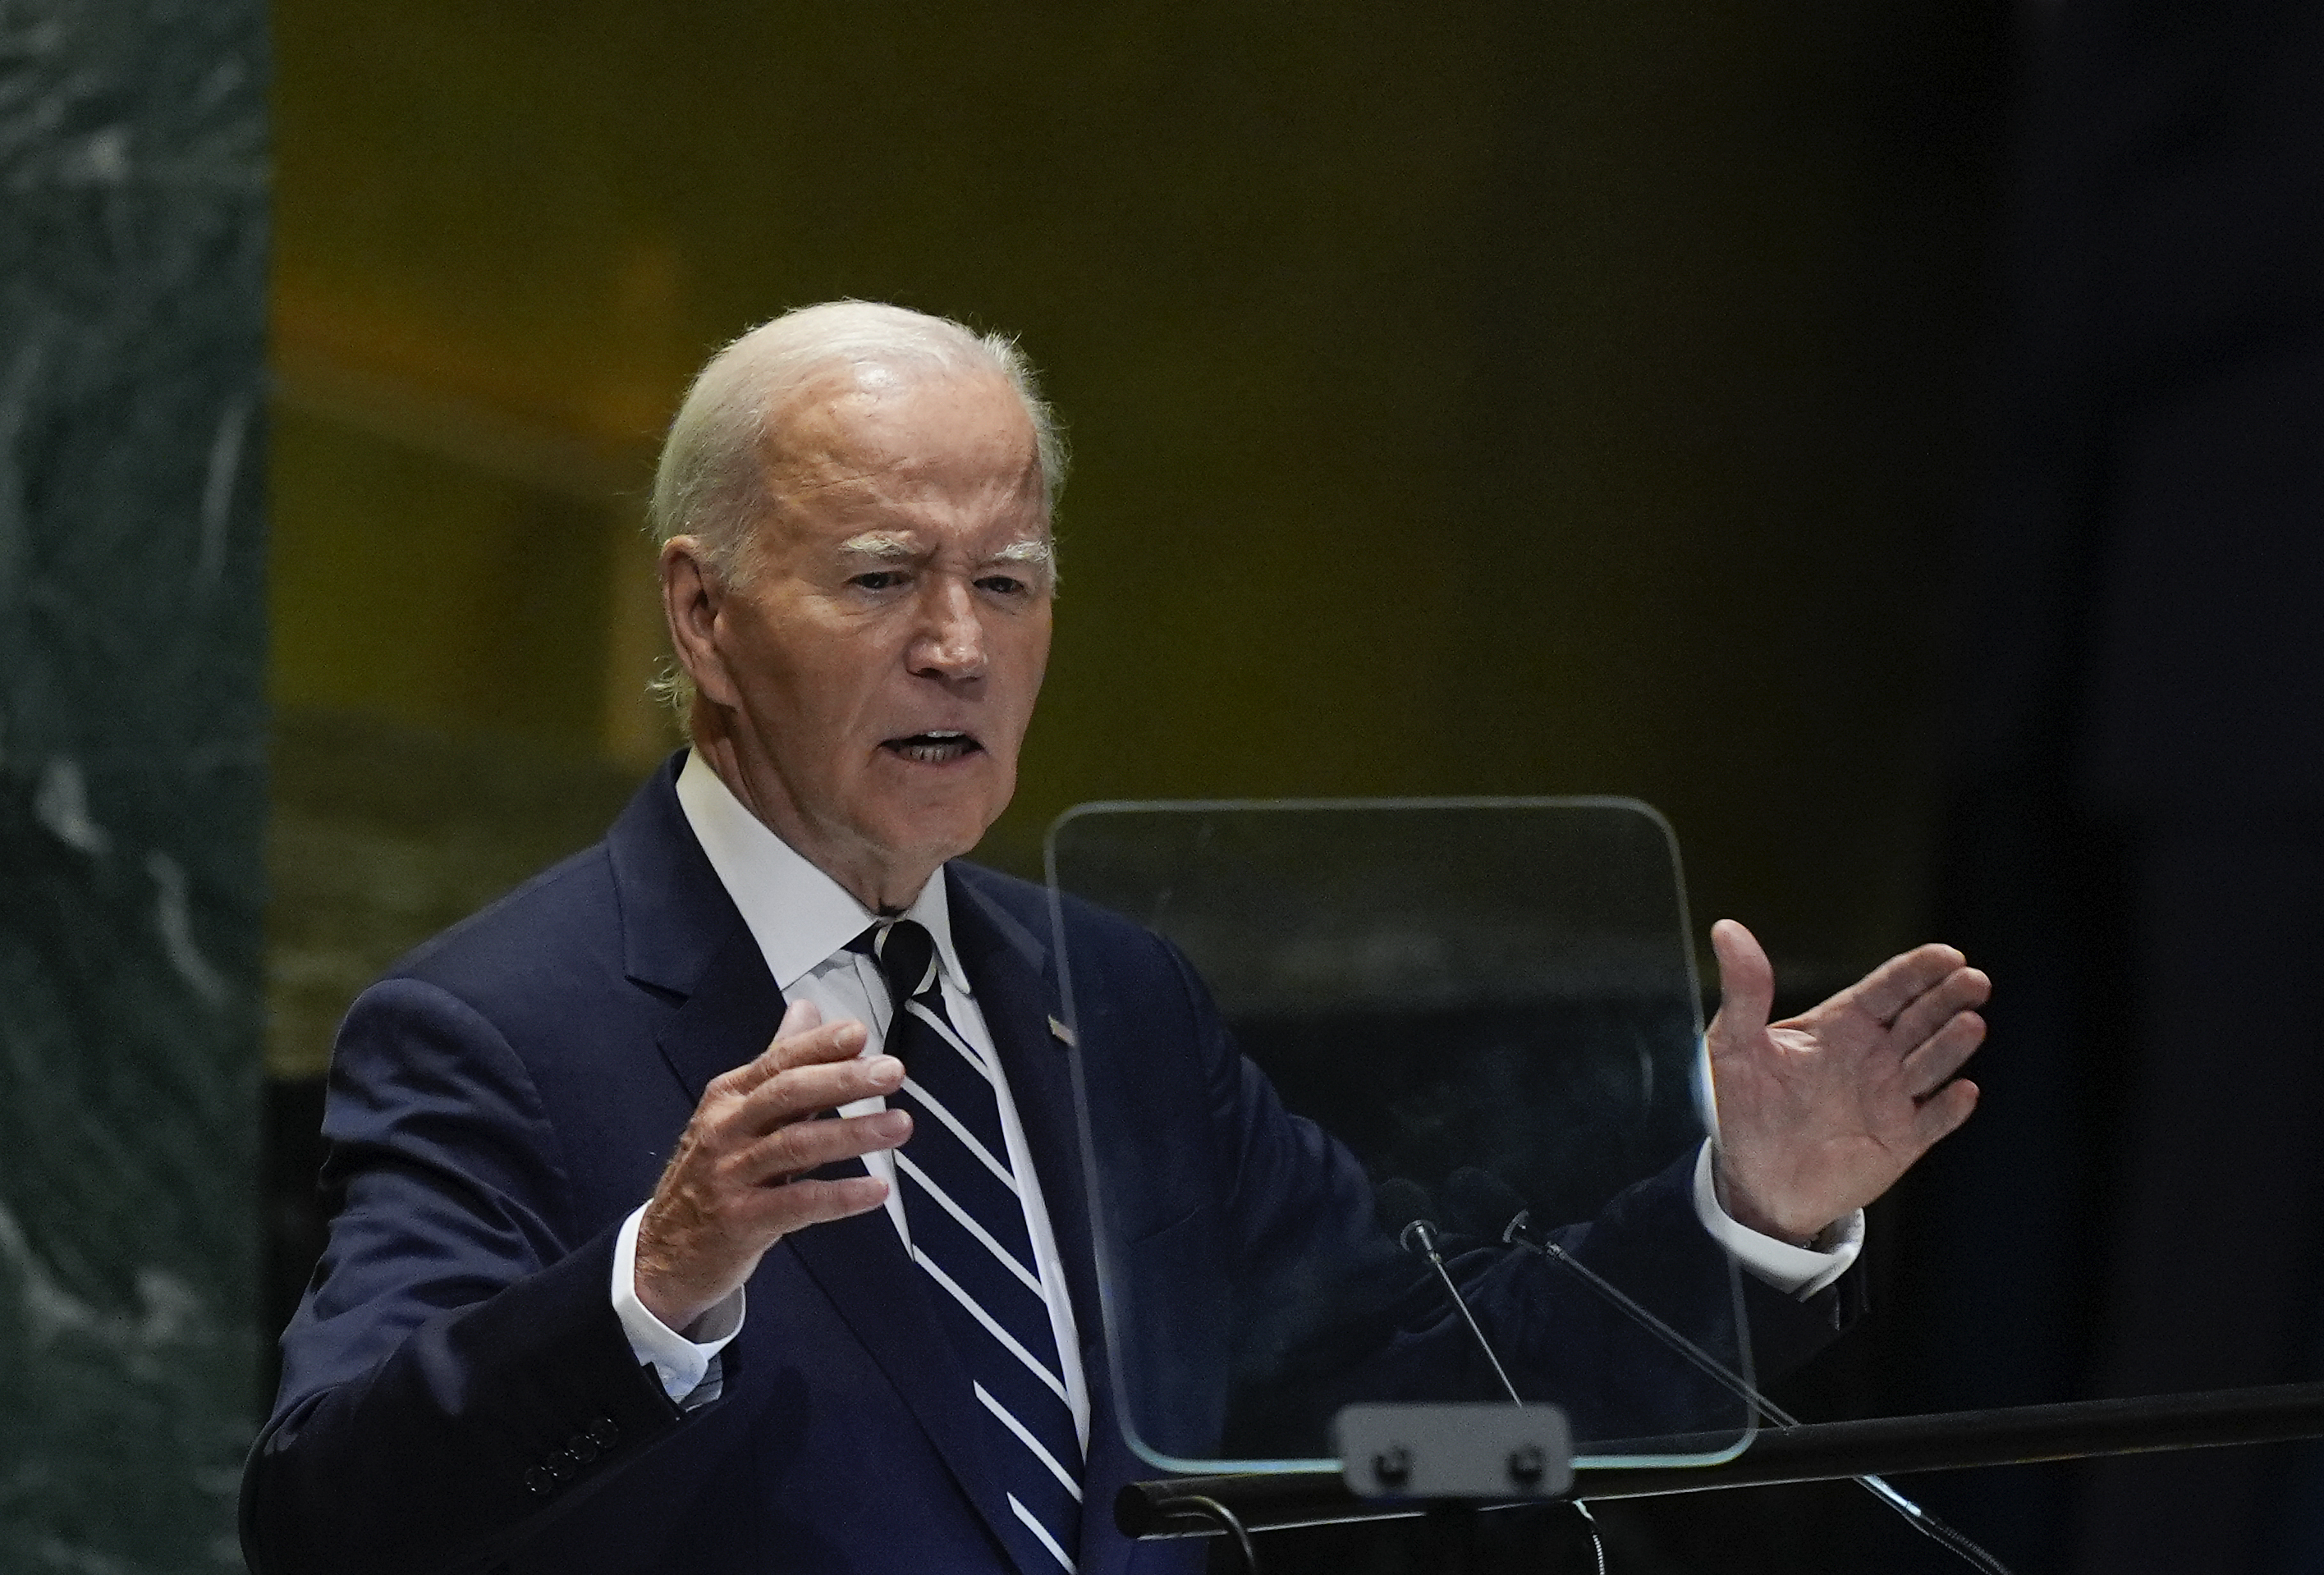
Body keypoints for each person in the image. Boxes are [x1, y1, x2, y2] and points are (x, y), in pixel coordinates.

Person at [239, 300, 1990, 1575]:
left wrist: (1749, 1214)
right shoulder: (495, 1025)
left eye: (1007, 580)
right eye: (880, 577)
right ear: (701, 611)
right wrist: (661, 1280)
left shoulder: (1112, 1000)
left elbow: (1390, 1410)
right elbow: (333, 1513)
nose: (960, 645)